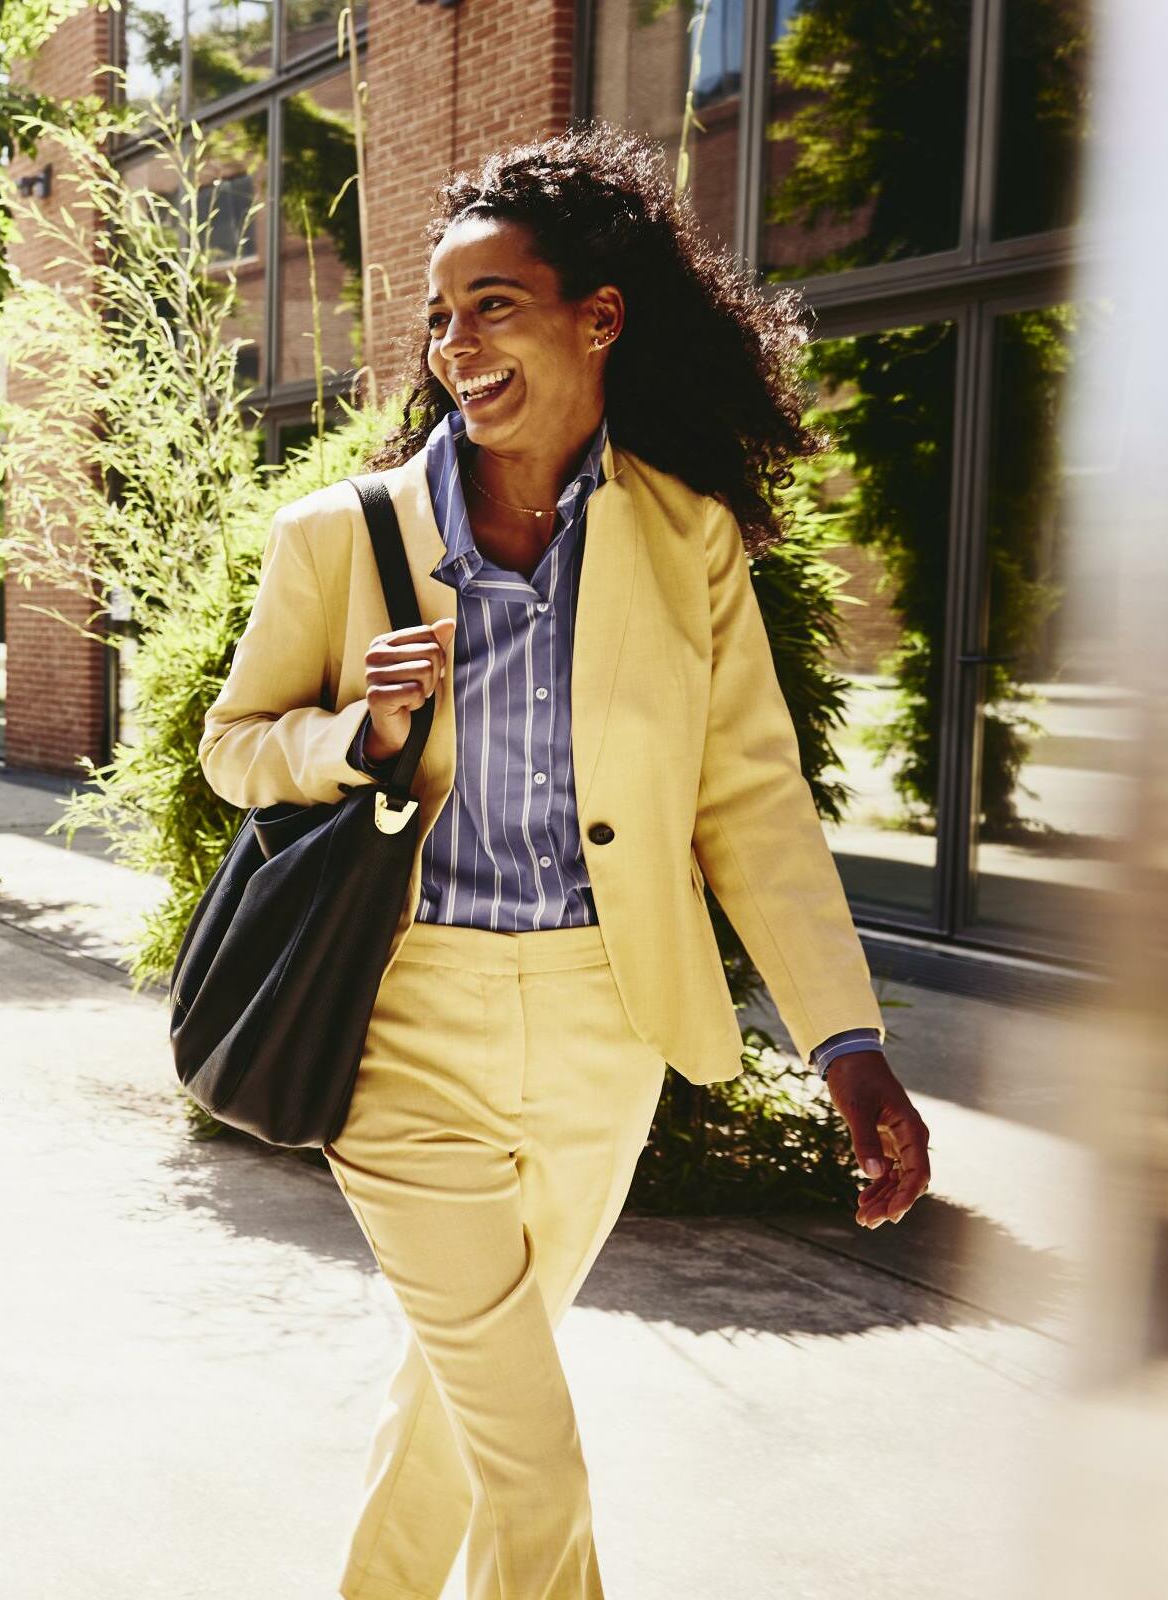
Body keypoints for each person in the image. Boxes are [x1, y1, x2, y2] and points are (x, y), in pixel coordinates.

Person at [201, 128, 935, 1600]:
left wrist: (846, 1046)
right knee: (535, 1453)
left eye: (494, 306)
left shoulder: (687, 541)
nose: (454, 346)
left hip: (610, 1028)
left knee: (465, 1411)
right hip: (405, 1022)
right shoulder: (339, 539)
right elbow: (236, 747)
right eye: (439, 315)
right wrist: (359, 733)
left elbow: (753, 806)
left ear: (598, 316)